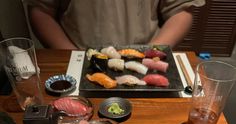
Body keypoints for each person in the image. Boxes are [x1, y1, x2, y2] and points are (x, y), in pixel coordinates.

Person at [26, 0, 205, 50]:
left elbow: (180, 10)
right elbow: (41, 10)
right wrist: (73, 57)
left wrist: (151, 52)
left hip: (146, 53)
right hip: (77, 53)